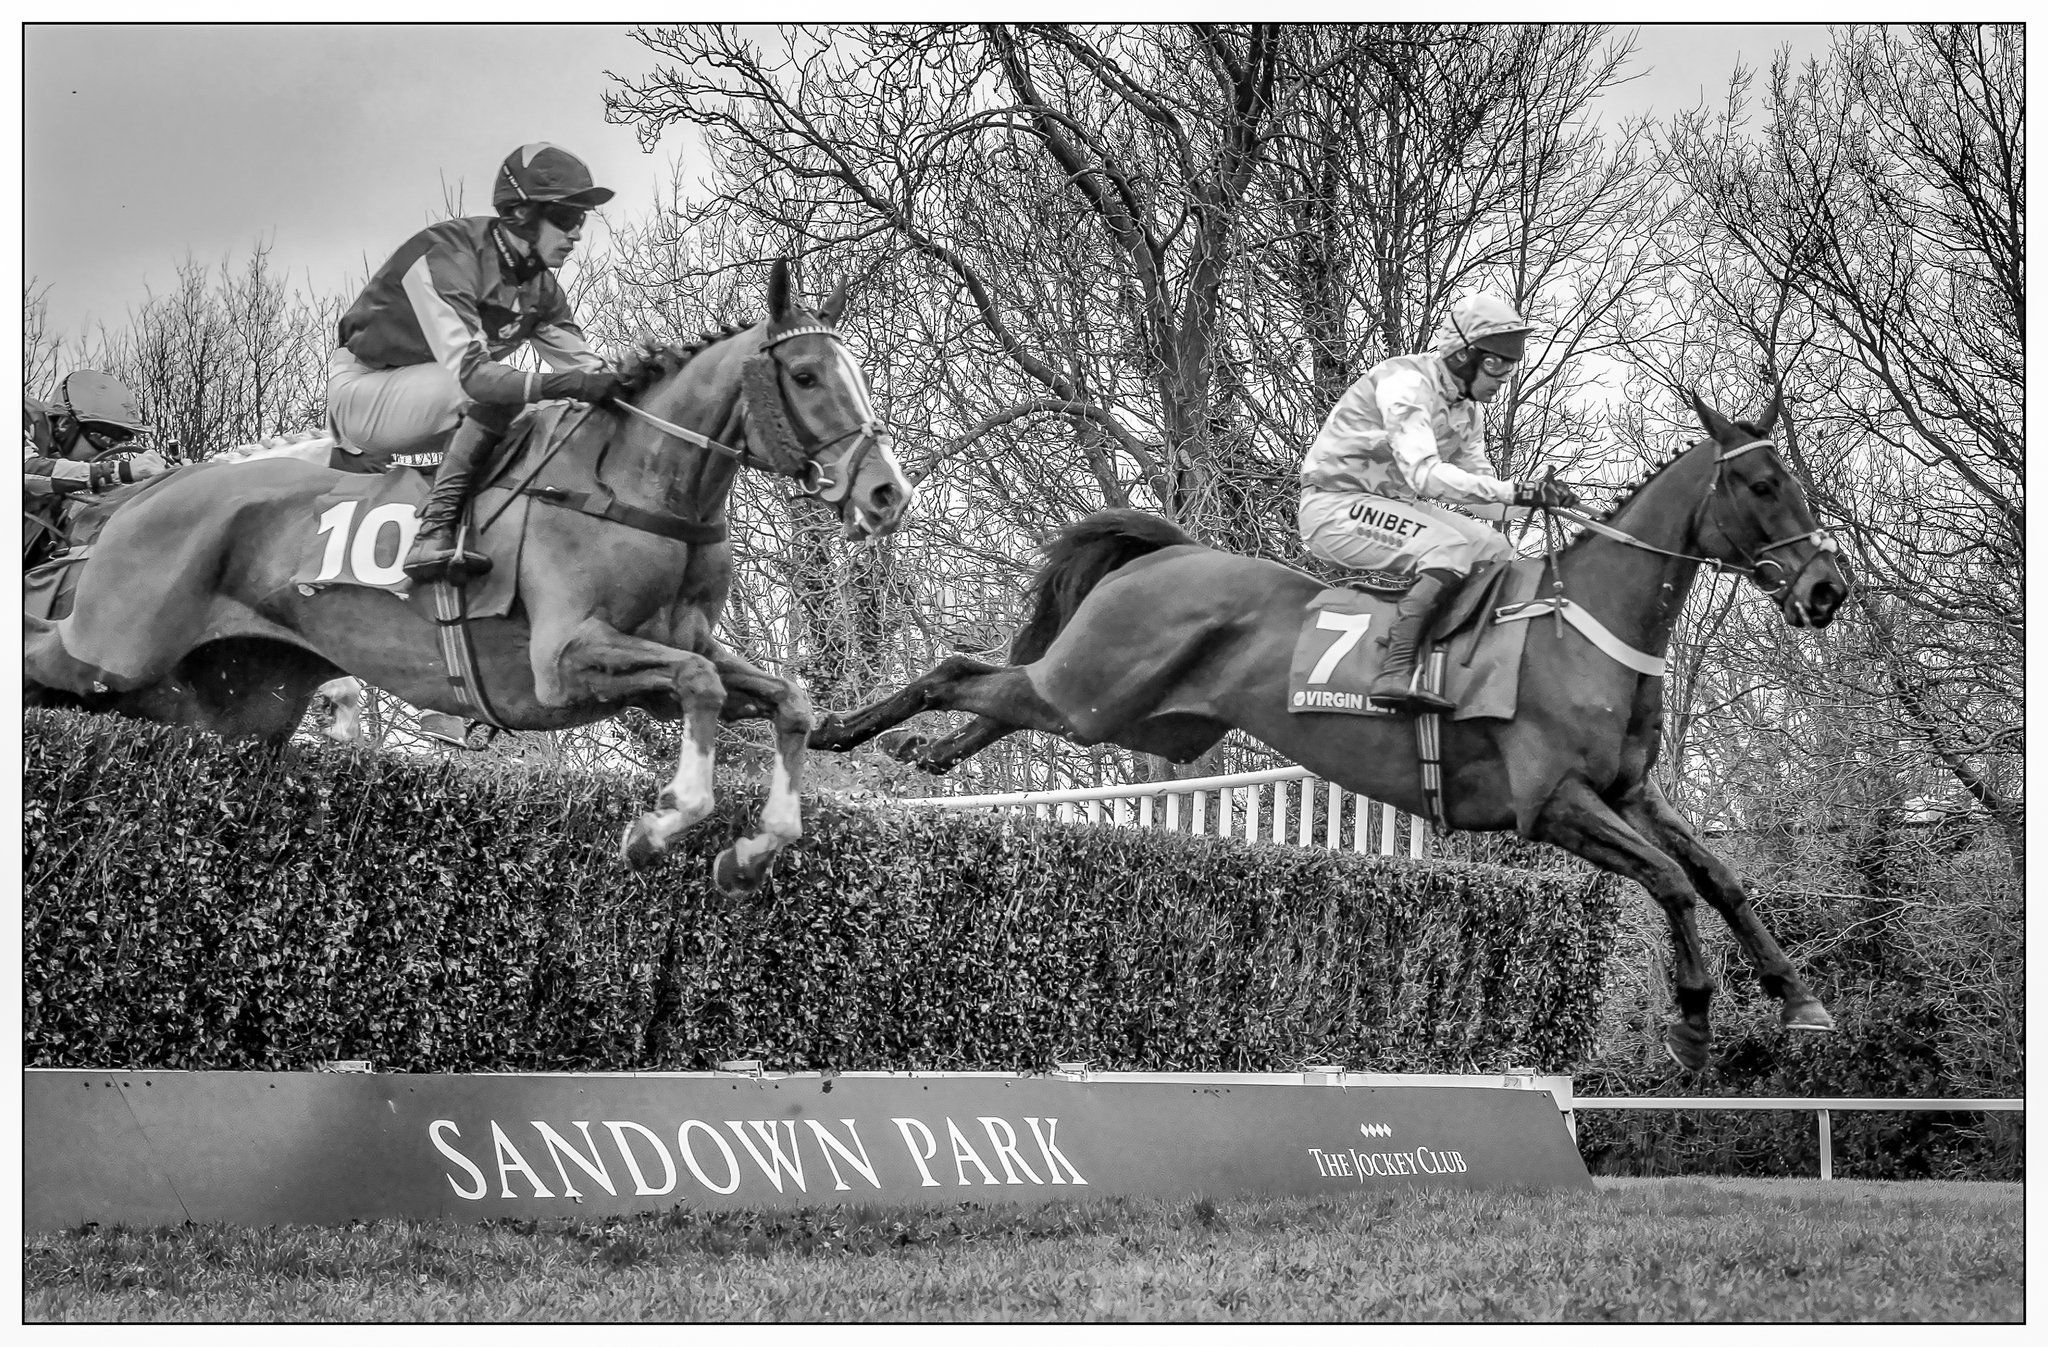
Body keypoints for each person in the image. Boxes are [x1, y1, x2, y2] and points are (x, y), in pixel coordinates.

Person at [327, 142, 624, 584]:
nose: (576, 234)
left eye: (580, 220)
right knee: (491, 390)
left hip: (432, 397)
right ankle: (432, 532)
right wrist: (564, 386)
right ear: (522, 214)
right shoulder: (445, 255)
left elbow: (589, 374)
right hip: (364, 393)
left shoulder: (542, 291)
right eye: (565, 218)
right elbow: (476, 379)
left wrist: (643, 375)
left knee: (554, 414)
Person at [1296, 293, 1580, 714]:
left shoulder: (1467, 412)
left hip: (1393, 505)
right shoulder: (1407, 385)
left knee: (1496, 549)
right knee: (1448, 548)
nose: (1505, 375)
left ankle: (1471, 665)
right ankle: (1394, 670)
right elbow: (1425, 477)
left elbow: (1488, 501)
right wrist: (1513, 491)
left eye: (1510, 363)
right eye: (1496, 362)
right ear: (1464, 355)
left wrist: (1535, 498)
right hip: (1335, 506)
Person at [24, 370, 169, 567]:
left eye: (115, 443)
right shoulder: (23, 414)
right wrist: (121, 470)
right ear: (66, 424)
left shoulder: (63, 457)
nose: (108, 449)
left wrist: (164, 481)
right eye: (103, 439)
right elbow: (27, 470)